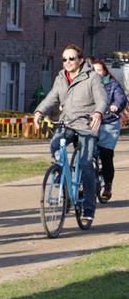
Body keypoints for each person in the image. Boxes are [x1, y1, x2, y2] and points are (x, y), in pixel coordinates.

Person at [33, 44, 106, 223]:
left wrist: (98, 112)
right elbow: (52, 97)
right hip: (67, 123)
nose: (68, 62)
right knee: (55, 144)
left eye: (71, 58)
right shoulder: (60, 78)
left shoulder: (92, 77)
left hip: (87, 126)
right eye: (64, 59)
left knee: (86, 164)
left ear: (80, 60)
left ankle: (88, 209)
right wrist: (39, 112)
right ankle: (60, 169)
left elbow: (102, 98)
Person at [89, 59, 127, 201]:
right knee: (83, 153)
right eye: (94, 70)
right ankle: (82, 184)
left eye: (99, 70)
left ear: (105, 71)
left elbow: (121, 98)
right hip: (91, 122)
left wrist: (116, 105)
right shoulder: (88, 84)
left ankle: (108, 185)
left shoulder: (112, 84)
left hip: (108, 122)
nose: (97, 73)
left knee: (105, 154)